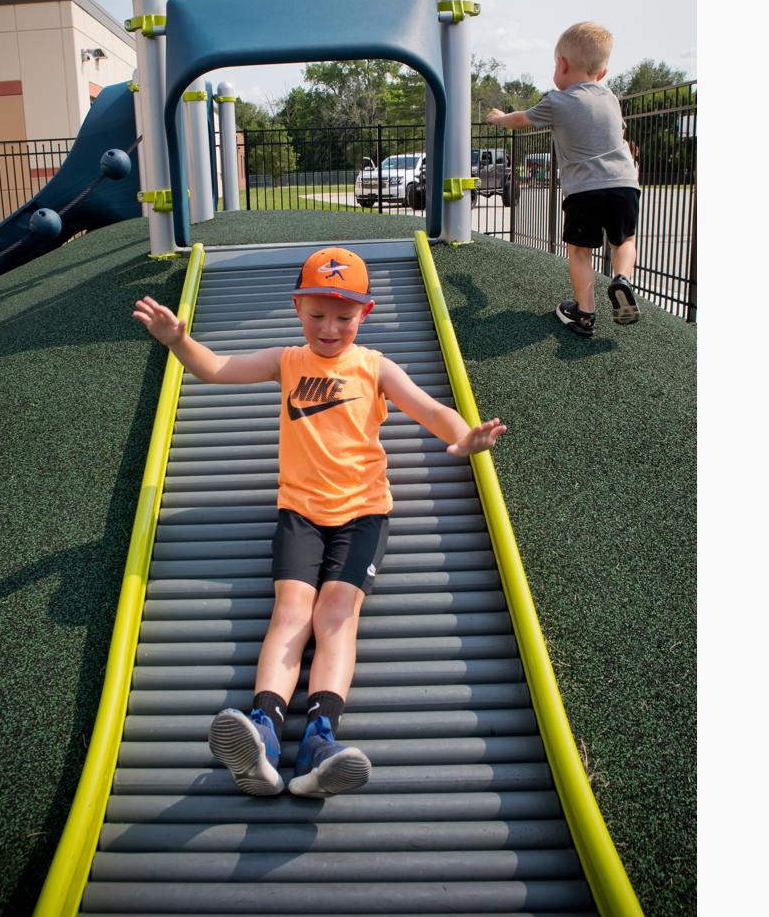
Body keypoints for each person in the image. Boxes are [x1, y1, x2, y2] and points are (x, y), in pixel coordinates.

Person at [130, 246, 507, 797]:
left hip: (363, 515)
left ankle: (320, 740)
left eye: (344, 316)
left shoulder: (375, 366)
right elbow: (214, 368)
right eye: (317, 315)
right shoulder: (287, 361)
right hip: (301, 513)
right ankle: (263, 732)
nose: (329, 328)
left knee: (334, 616)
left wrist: (464, 436)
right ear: (297, 307)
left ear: (366, 314)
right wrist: (177, 340)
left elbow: (430, 409)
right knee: (290, 612)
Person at [486, 21, 643, 337]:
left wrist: (499, 118)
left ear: (562, 63)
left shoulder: (557, 101)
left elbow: (520, 120)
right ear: (602, 74)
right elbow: (620, 133)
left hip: (585, 190)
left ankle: (585, 315)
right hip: (625, 182)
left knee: (580, 251)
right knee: (624, 241)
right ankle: (622, 279)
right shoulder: (610, 98)